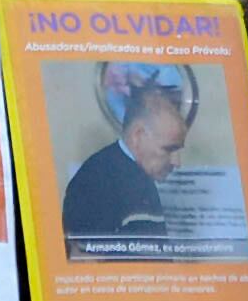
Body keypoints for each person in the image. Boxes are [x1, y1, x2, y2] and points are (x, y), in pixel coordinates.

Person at [60, 63, 195, 246]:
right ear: (138, 136)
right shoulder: (96, 182)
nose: (177, 162)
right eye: (169, 149)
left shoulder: (129, 174)